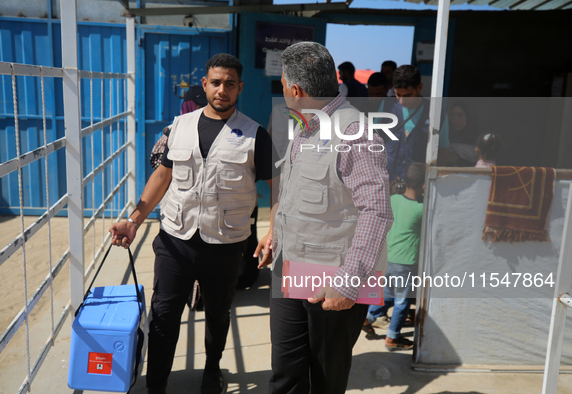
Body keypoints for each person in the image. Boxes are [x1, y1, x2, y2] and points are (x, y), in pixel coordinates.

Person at [109, 53, 278, 394]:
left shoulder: (255, 135)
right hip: (176, 240)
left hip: (226, 244)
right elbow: (162, 176)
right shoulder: (179, 127)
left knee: (217, 315)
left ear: (240, 88)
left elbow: (278, 188)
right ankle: (156, 385)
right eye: (216, 82)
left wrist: (274, 232)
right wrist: (134, 220)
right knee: (164, 314)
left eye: (230, 84)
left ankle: (211, 370)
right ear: (204, 84)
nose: (222, 90)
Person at [256, 41, 393, 394]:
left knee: (324, 381)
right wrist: (276, 235)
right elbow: (303, 194)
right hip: (291, 269)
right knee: (285, 375)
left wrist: (350, 280)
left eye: (283, 85)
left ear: (296, 90)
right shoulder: (308, 126)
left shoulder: (355, 133)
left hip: (333, 280)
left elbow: (376, 211)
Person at [363, 162, 425, 351]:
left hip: (386, 259)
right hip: (405, 263)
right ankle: (392, 337)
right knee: (402, 302)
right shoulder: (421, 210)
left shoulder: (393, 199)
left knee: (387, 294)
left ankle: (368, 318)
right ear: (424, 185)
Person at [386, 64, 450, 184]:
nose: (402, 101)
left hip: (417, 187)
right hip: (387, 183)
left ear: (419, 88)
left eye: (407, 95)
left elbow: (442, 152)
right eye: (398, 94)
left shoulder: (438, 115)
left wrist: (434, 183)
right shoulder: (386, 107)